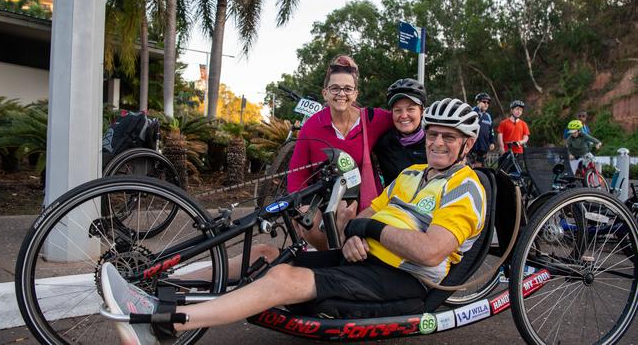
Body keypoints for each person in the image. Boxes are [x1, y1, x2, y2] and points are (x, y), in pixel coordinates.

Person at [99, 98, 486, 344]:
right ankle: (148, 287)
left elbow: (432, 249)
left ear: (467, 145)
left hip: (406, 279)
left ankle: (161, 324)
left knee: (283, 279)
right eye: (433, 134)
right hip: (366, 258)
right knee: (265, 254)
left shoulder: (466, 188)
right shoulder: (412, 174)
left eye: (449, 138)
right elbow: (368, 213)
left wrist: (367, 230)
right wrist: (354, 230)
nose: (437, 142)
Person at [286, 55, 392, 249]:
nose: (341, 93)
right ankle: (331, 256)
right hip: (325, 196)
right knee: (307, 221)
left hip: (363, 198)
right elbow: (297, 173)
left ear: (356, 93)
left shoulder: (371, 119)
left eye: (347, 89)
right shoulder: (312, 126)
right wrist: (298, 206)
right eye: (335, 88)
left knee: (346, 211)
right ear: (325, 93)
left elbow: (405, 118)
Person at [374, 78, 428, 186]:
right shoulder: (383, 143)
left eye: (410, 109)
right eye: (398, 110)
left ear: (422, 111)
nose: (403, 115)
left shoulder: (433, 143)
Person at [468, 92, 496, 167]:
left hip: (483, 146)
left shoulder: (488, 116)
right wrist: (478, 109)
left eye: (488, 102)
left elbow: (491, 131)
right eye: (484, 102)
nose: (486, 104)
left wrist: (492, 142)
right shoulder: (472, 111)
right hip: (473, 146)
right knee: (471, 167)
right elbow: (469, 120)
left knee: (480, 168)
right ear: (478, 102)